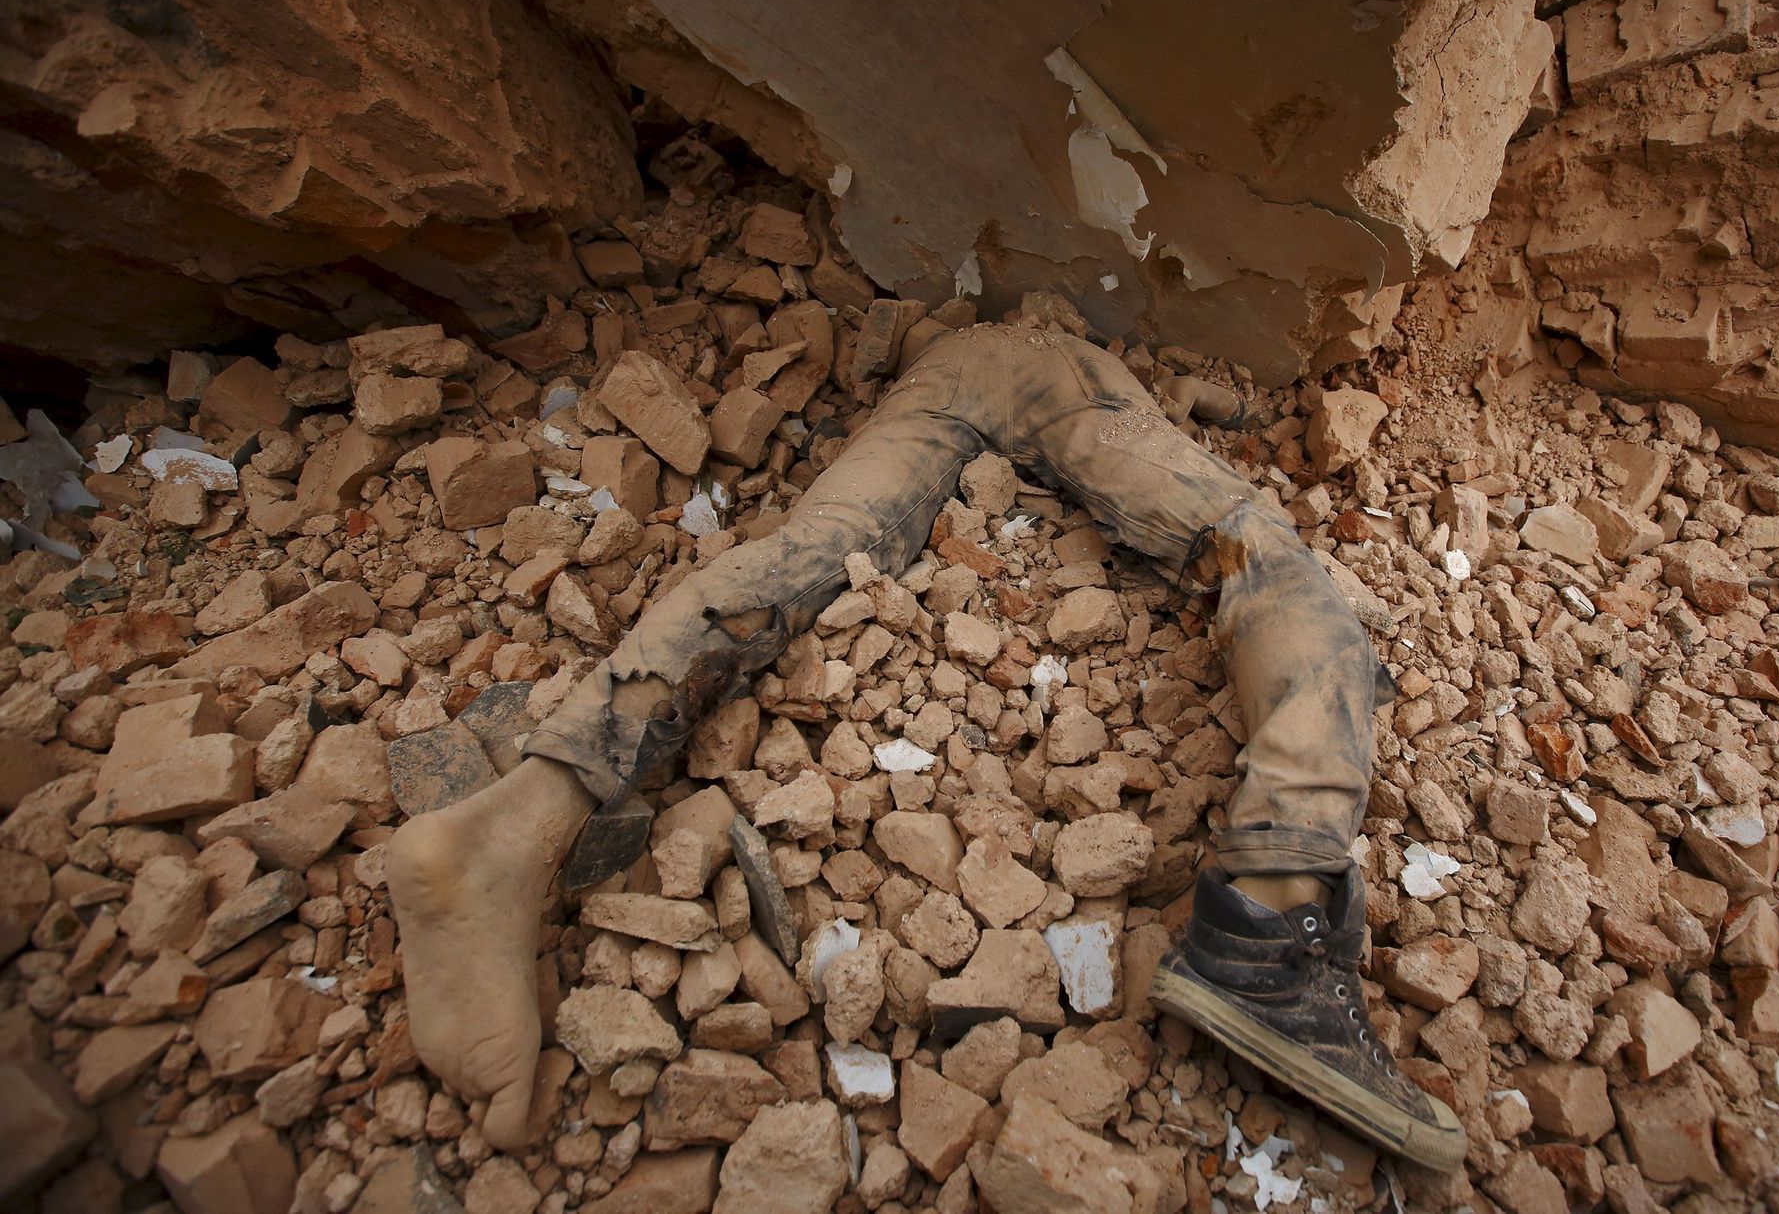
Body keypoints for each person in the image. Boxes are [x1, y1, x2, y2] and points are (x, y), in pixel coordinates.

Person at [392, 323, 1466, 1167]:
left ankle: (513, 823)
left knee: (801, 559)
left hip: (944, 394)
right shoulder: (1083, 359)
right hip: (1066, 394)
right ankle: (1269, 915)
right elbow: (1204, 438)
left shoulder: (939, 356)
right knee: (1268, 570)